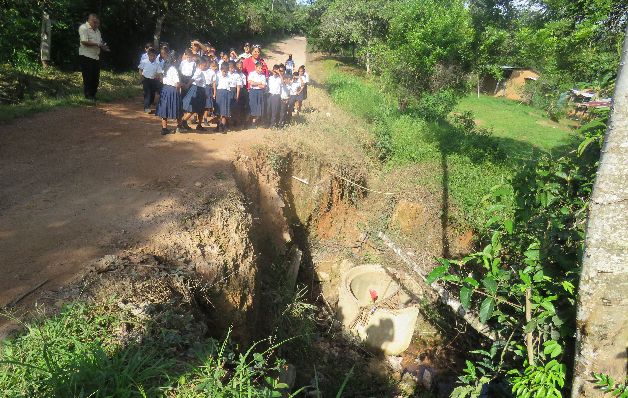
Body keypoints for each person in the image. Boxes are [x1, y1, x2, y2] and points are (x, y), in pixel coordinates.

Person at [78, 13, 108, 100]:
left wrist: (104, 46)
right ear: (90, 20)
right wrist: (97, 44)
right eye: (95, 22)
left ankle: (93, 95)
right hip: (86, 56)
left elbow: (100, 42)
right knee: (88, 77)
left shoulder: (98, 31)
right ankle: (88, 96)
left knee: (95, 77)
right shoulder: (83, 28)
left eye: (98, 22)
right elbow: (84, 41)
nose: (96, 24)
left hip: (96, 57)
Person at [155, 56, 184, 135]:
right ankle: (179, 127)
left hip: (165, 89)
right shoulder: (173, 69)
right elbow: (177, 84)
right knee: (177, 108)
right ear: (174, 60)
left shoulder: (165, 68)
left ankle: (164, 129)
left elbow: (160, 78)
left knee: (164, 108)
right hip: (173, 90)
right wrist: (181, 86)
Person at [180, 57, 207, 131]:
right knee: (194, 108)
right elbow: (193, 79)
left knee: (201, 109)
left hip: (200, 90)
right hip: (197, 90)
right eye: (204, 65)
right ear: (200, 65)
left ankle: (199, 125)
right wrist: (188, 85)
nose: (205, 67)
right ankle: (184, 121)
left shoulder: (201, 71)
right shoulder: (199, 71)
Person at [138, 48, 162, 113]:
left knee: (152, 93)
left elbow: (159, 72)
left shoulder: (157, 63)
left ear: (156, 56)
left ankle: (150, 102)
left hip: (153, 80)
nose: (152, 57)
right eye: (151, 56)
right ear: (148, 55)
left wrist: (161, 79)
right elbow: (140, 69)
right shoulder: (144, 61)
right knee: (147, 93)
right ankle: (146, 107)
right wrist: (141, 76)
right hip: (145, 79)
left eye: (154, 56)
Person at [247, 61, 267, 126]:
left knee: (259, 106)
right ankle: (250, 121)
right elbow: (251, 83)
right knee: (252, 105)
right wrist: (259, 83)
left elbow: (263, 86)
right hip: (253, 91)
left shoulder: (263, 76)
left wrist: (255, 83)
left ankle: (255, 122)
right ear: (255, 67)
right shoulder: (252, 73)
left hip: (260, 92)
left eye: (261, 68)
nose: (260, 70)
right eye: (259, 68)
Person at [213, 63, 232, 133]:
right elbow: (214, 84)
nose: (225, 73)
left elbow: (231, 86)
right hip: (219, 93)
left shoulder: (229, 76)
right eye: (224, 71)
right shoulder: (217, 75)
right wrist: (215, 93)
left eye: (226, 71)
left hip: (226, 93)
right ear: (221, 70)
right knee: (218, 111)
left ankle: (223, 127)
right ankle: (218, 126)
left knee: (224, 111)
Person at [202, 60, 218, 127]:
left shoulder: (212, 73)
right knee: (205, 105)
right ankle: (202, 119)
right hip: (205, 87)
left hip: (207, 87)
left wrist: (214, 92)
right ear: (210, 66)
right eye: (213, 66)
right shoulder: (207, 71)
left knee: (207, 105)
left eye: (215, 66)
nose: (215, 68)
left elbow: (214, 83)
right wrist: (214, 92)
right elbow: (214, 83)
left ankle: (205, 119)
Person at [227, 61, 243, 127]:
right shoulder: (226, 73)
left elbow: (238, 87)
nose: (231, 69)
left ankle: (234, 122)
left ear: (235, 68)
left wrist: (237, 95)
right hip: (227, 91)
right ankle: (226, 122)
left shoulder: (237, 75)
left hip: (233, 91)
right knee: (227, 107)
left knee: (233, 108)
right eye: (230, 68)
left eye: (233, 68)